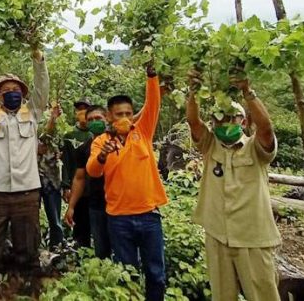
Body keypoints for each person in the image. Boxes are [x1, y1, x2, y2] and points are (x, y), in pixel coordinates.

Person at [186, 68, 281, 301]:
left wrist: (247, 91)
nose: (226, 122)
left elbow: (266, 129)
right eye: (220, 117)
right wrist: (193, 91)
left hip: (253, 238)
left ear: (243, 121)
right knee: (222, 296)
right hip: (218, 236)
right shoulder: (210, 146)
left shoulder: (255, 149)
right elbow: (192, 121)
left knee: (263, 296)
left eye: (232, 118)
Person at [0, 38, 49, 297]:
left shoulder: (33, 114)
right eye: (5, 90)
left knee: (28, 240)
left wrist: (37, 57)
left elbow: (42, 88)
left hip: (27, 191)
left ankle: (28, 281)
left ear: (23, 94)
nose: (11, 92)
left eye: (15, 88)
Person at [86, 64, 167, 301]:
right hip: (119, 218)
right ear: (109, 116)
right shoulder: (101, 141)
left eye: (128, 114)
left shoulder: (142, 132)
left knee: (156, 273)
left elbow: (153, 104)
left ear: (133, 115)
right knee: (126, 274)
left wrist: (151, 76)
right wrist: (103, 155)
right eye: (119, 114)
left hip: (149, 215)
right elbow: (92, 171)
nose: (124, 118)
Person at [64, 105, 111, 259]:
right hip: (96, 203)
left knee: (121, 246)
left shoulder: (119, 141)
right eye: (90, 119)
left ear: (107, 119)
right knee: (101, 248)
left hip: (119, 204)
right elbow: (79, 178)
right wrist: (71, 207)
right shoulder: (84, 148)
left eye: (98, 118)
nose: (94, 122)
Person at [61, 97, 92, 248]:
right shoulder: (69, 136)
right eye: (79, 109)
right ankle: (80, 252)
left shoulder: (96, 135)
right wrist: (66, 186)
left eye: (85, 109)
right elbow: (65, 162)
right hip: (76, 187)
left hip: (94, 187)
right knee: (79, 223)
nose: (82, 112)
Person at [38, 104, 65, 249]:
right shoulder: (30, 120)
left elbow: (60, 144)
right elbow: (44, 137)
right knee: (31, 218)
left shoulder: (59, 125)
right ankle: (35, 247)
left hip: (52, 176)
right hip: (32, 177)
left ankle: (57, 246)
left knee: (55, 218)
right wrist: (52, 120)